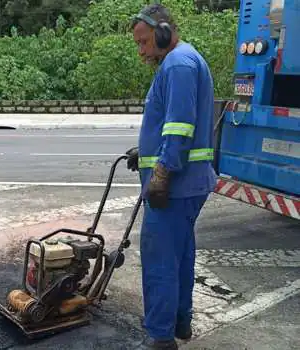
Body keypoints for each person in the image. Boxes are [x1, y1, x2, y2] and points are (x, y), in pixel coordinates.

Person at [125, 4, 217, 350]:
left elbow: (179, 127)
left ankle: (160, 336)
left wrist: (160, 173)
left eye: (145, 42)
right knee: (179, 254)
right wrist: (144, 154)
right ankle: (180, 321)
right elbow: (169, 126)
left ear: (164, 32)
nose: (142, 51)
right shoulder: (183, 61)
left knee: (160, 258)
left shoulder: (178, 64)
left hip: (176, 186)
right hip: (189, 183)